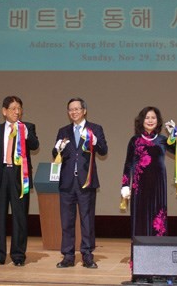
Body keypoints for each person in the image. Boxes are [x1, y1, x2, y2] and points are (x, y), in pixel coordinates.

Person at [120, 106, 177, 264]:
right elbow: (128, 164)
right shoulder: (134, 140)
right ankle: (140, 257)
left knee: (158, 220)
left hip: (158, 187)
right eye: (147, 118)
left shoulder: (163, 140)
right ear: (141, 120)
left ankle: (159, 257)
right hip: (139, 186)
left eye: (153, 118)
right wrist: (125, 185)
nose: (150, 120)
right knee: (139, 219)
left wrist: (175, 134)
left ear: (158, 121)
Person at [0, 96, 39, 266]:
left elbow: (35, 146)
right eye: (13, 108)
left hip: (19, 176)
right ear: (4, 111)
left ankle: (18, 255)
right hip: (1, 175)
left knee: (20, 217)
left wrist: (27, 135)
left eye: (19, 108)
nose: (17, 111)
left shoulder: (28, 127)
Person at [52, 97, 108, 269]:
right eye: (71, 109)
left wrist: (95, 141)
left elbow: (104, 150)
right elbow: (55, 153)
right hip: (67, 182)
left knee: (87, 220)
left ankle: (87, 255)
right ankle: (68, 256)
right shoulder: (63, 131)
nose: (74, 112)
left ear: (84, 110)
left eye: (77, 109)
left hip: (86, 181)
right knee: (67, 221)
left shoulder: (95, 129)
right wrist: (58, 148)